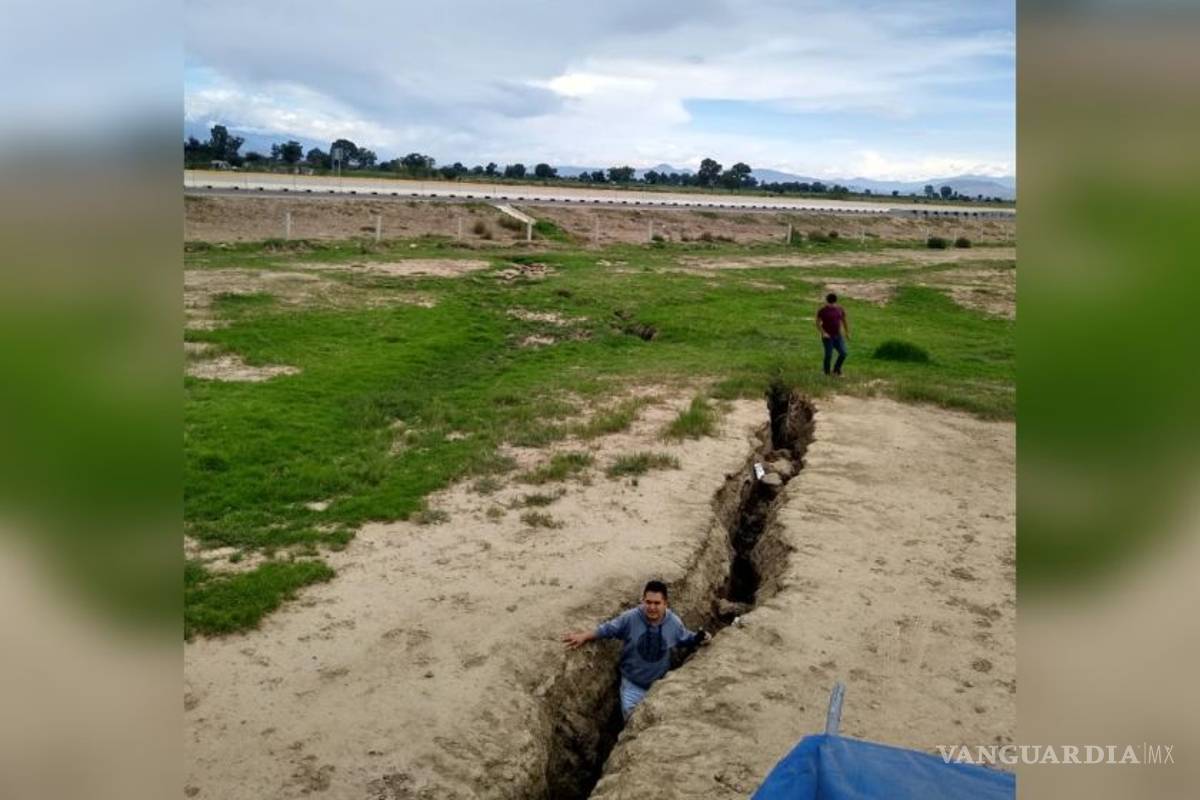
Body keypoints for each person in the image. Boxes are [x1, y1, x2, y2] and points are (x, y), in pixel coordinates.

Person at [562, 580, 711, 720]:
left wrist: (701, 638)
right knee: (632, 723)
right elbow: (607, 629)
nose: (652, 607)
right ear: (643, 601)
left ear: (665, 603)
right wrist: (584, 636)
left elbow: (685, 638)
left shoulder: (674, 623)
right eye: (648, 602)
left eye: (657, 603)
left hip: (660, 687)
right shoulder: (630, 618)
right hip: (632, 685)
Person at [816, 292, 850, 376]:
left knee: (843, 353)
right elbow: (817, 323)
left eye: (833, 303)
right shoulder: (822, 310)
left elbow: (844, 320)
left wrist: (847, 332)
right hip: (828, 337)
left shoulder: (840, 309)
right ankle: (826, 372)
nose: (831, 305)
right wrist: (823, 333)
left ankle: (836, 370)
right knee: (829, 355)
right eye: (830, 303)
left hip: (838, 336)